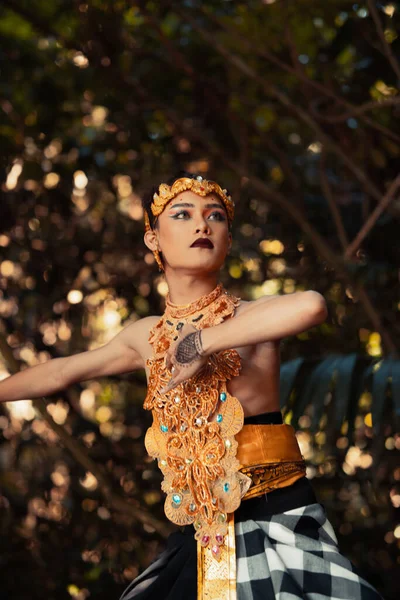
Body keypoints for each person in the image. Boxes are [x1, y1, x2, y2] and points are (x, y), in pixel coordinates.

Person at [0, 172, 382, 600]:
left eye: (214, 216)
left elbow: (312, 305)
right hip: (198, 534)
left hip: (276, 518)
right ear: (153, 240)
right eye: (182, 215)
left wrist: (200, 342)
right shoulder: (145, 336)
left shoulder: (250, 317)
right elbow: (60, 372)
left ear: (228, 239)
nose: (202, 225)